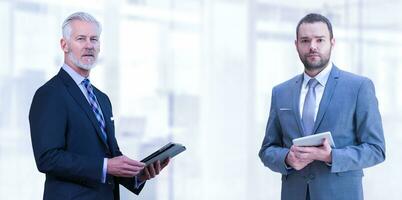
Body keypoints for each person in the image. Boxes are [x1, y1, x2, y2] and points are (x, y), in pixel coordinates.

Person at [29, 12, 169, 200]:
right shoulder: (50, 94)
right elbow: (48, 158)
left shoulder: (102, 98)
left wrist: (137, 175)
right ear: (64, 45)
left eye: (94, 39)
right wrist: (105, 166)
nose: (89, 45)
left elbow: (111, 156)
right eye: (81, 39)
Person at [258, 13, 386, 200]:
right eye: (305, 40)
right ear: (296, 45)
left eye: (320, 40)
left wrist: (331, 156)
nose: (312, 46)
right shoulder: (281, 92)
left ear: (332, 43)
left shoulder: (358, 87)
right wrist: (286, 158)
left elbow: (376, 150)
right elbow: (267, 150)